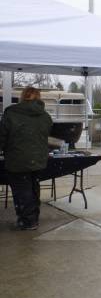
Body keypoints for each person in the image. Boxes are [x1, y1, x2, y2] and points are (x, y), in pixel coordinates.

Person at [0, 87, 52, 230]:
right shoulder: (45, 116)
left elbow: (2, 136)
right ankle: (33, 218)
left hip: (17, 160)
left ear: (23, 97)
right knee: (33, 189)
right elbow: (45, 135)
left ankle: (28, 221)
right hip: (39, 160)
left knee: (22, 191)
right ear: (39, 97)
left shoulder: (11, 113)